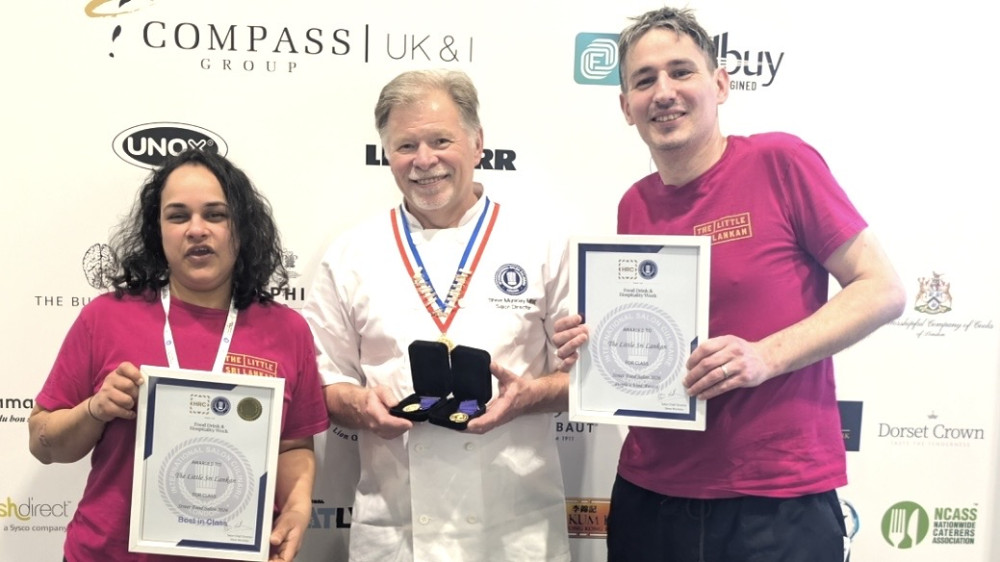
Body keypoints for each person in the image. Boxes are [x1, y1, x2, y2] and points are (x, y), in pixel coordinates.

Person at [553, 7, 906, 562]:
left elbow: (882, 288)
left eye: (681, 71)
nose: (663, 91)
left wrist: (765, 356)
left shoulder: (780, 161)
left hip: (774, 499)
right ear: (626, 107)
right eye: (644, 81)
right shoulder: (635, 203)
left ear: (720, 83)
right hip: (651, 494)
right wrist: (596, 348)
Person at [303, 69, 571, 561]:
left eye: (441, 140)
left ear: (477, 143)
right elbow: (323, 380)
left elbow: (591, 378)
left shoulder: (543, 244)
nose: (424, 161)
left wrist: (532, 395)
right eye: (406, 146)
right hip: (396, 529)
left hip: (515, 530)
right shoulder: (351, 254)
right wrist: (359, 406)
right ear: (387, 155)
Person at [28, 148, 330, 562]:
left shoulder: (287, 330)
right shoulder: (106, 317)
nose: (196, 229)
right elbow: (43, 444)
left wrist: (296, 510)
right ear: (158, 231)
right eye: (177, 215)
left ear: (241, 228)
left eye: (215, 214)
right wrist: (95, 410)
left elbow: (294, 444)